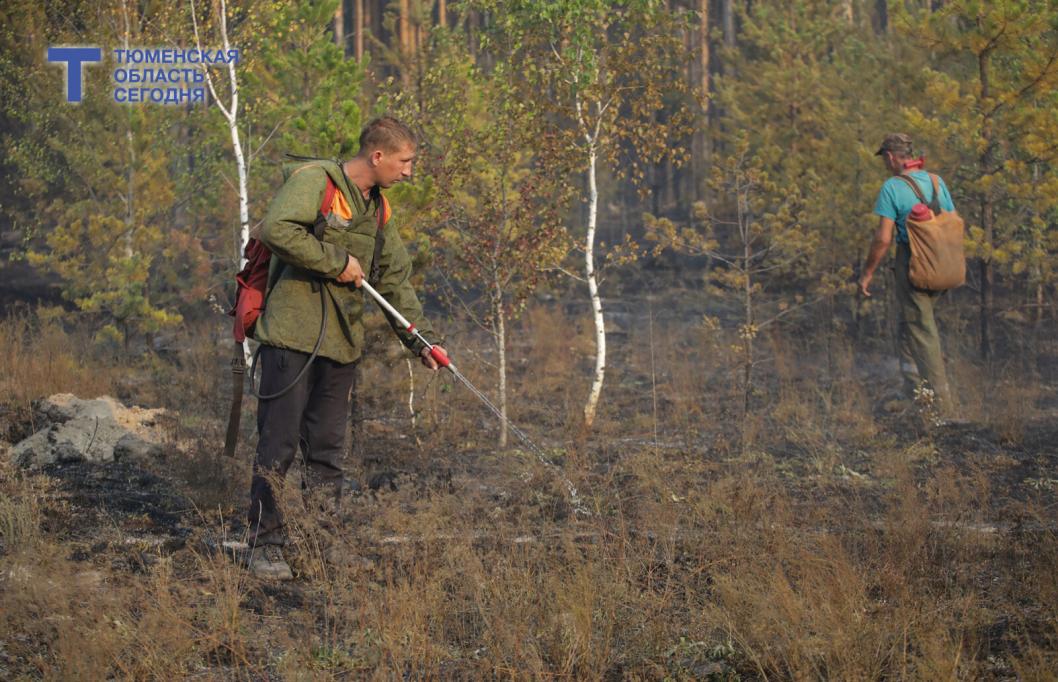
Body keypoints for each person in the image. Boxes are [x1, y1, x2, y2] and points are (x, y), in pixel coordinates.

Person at [246, 116, 446, 580]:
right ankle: (264, 546)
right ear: (378, 156)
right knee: (277, 447)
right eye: (405, 162)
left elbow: (393, 277)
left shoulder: (377, 210)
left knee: (328, 451)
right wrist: (337, 263)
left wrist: (423, 342)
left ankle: (320, 545)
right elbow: (275, 228)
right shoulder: (316, 181)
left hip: (341, 344)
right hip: (291, 338)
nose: (409, 172)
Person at [859, 132, 955, 415]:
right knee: (908, 324)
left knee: (923, 331)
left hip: (913, 264)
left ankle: (942, 408)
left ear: (890, 157)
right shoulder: (937, 182)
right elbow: (950, 220)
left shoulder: (892, 187)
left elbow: (883, 239)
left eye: (884, 159)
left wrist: (867, 273)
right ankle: (913, 391)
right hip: (943, 262)